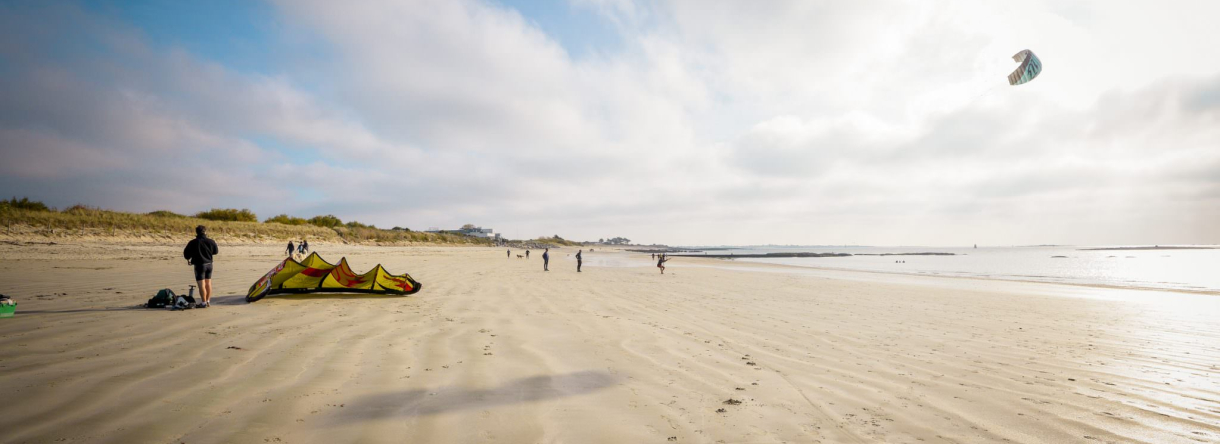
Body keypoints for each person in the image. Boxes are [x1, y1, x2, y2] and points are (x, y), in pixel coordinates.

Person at [183, 225, 219, 308]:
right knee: (208, 283)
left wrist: (189, 258)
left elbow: (186, 254)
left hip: (199, 265)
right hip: (209, 264)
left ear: (197, 232)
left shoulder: (193, 242)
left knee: (201, 284)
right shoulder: (211, 241)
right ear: (205, 232)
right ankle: (208, 301)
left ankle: (203, 303)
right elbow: (216, 251)